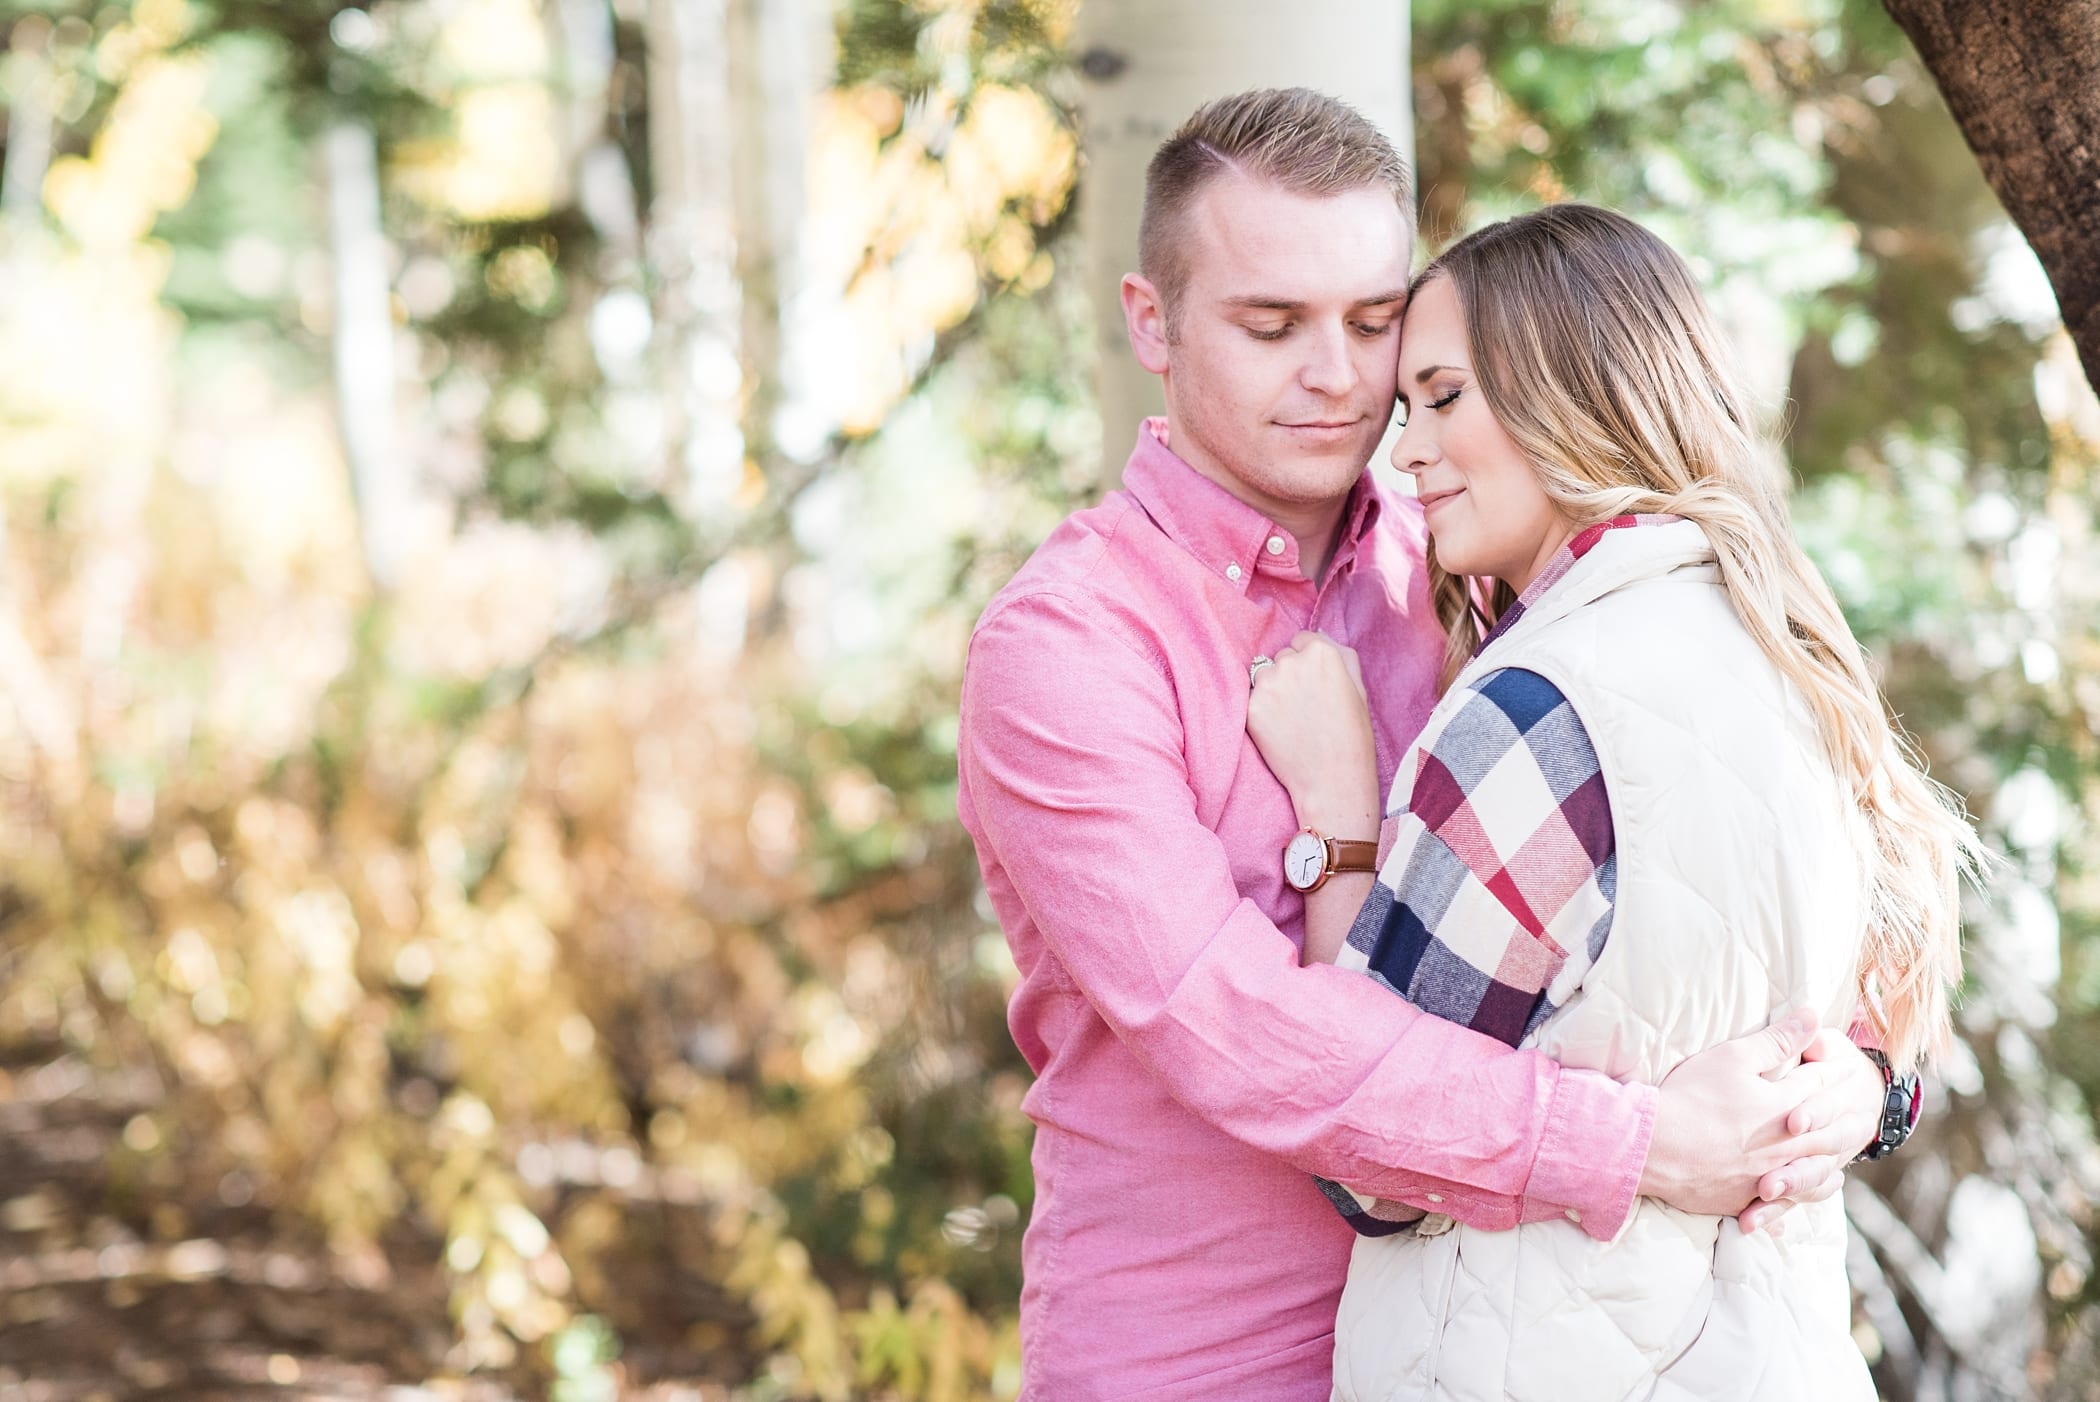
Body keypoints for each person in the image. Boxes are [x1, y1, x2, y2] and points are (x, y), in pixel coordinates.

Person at [955, 88, 1898, 1401]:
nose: (1338, 375)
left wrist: (1858, 1076)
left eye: (1372, 321)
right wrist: (1631, 1143)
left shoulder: (1468, 557)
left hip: (1482, 1340)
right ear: (1150, 322)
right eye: (1273, 323)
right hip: (1199, 1353)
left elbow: (1710, 842)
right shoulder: (1066, 646)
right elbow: (1227, 1022)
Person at [1245, 202, 1974, 1400]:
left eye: (1444, 397)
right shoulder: (1788, 655)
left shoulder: (1536, 711)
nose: (1407, 451)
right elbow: (1890, 1054)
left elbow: (1371, 1148)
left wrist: (1337, 822)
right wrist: (1866, 1096)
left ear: (1566, 393)